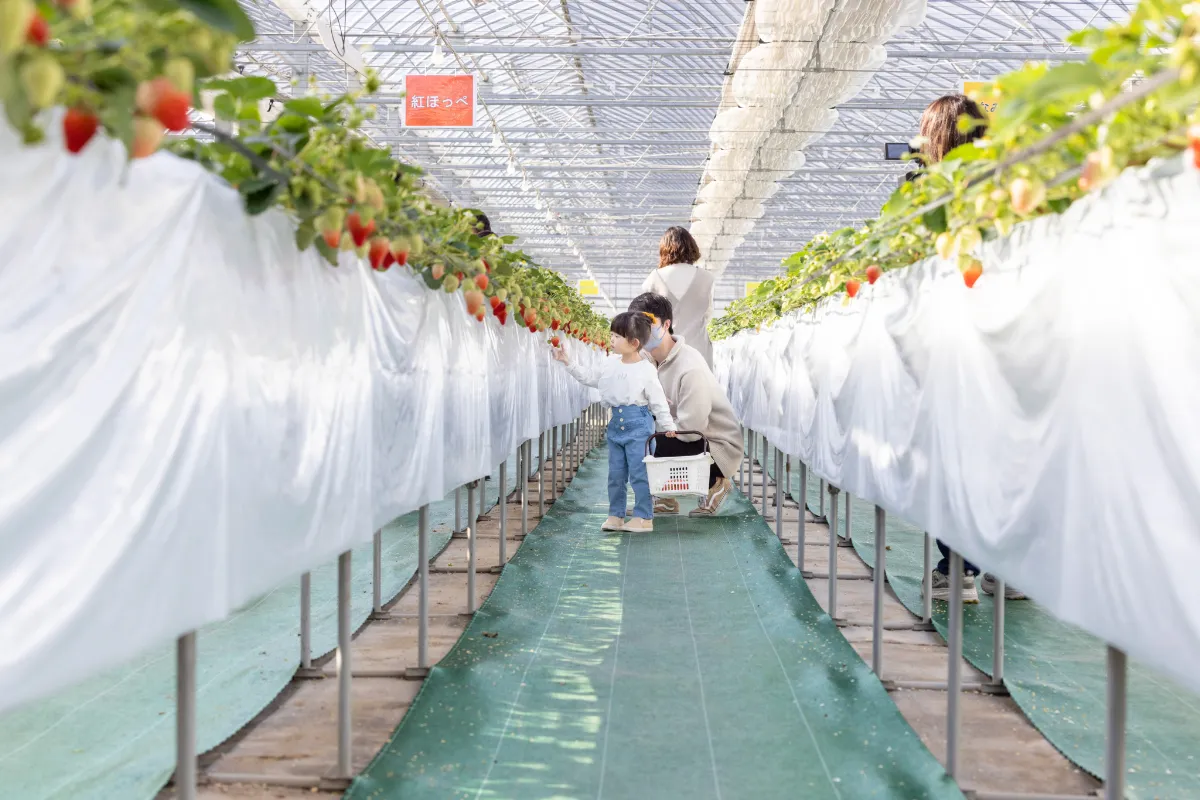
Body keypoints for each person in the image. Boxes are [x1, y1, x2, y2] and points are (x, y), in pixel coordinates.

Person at [913, 94, 1025, 603]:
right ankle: (1007, 567)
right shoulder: (1008, 181)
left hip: (949, 336)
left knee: (954, 453)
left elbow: (907, 260)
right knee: (1005, 447)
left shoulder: (922, 188)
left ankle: (955, 569)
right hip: (1006, 328)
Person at [554, 312, 677, 533]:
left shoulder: (645, 370)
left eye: (616, 336)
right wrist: (568, 362)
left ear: (634, 343)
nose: (611, 339)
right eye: (611, 335)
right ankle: (616, 515)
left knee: (640, 473)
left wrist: (668, 426)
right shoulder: (610, 363)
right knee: (616, 473)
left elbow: (658, 400)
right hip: (616, 425)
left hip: (639, 425)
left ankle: (643, 517)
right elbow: (590, 378)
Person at [626, 293, 740, 518]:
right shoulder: (648, 359)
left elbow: (691, 429)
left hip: (716, 445)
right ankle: (664, 498)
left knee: (648, 439)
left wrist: (654, 416)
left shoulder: (690, 367)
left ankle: (715, 482)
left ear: (666, 324)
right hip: (685, 432)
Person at [640, 227, 716, 368]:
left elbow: (645, 321)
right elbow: (708, 314)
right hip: (699, 350)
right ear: (692, 247)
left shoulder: (654, 279)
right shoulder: (707, 278)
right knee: (699, 388)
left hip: (665, 351)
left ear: (664, 248)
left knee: (665, 389)